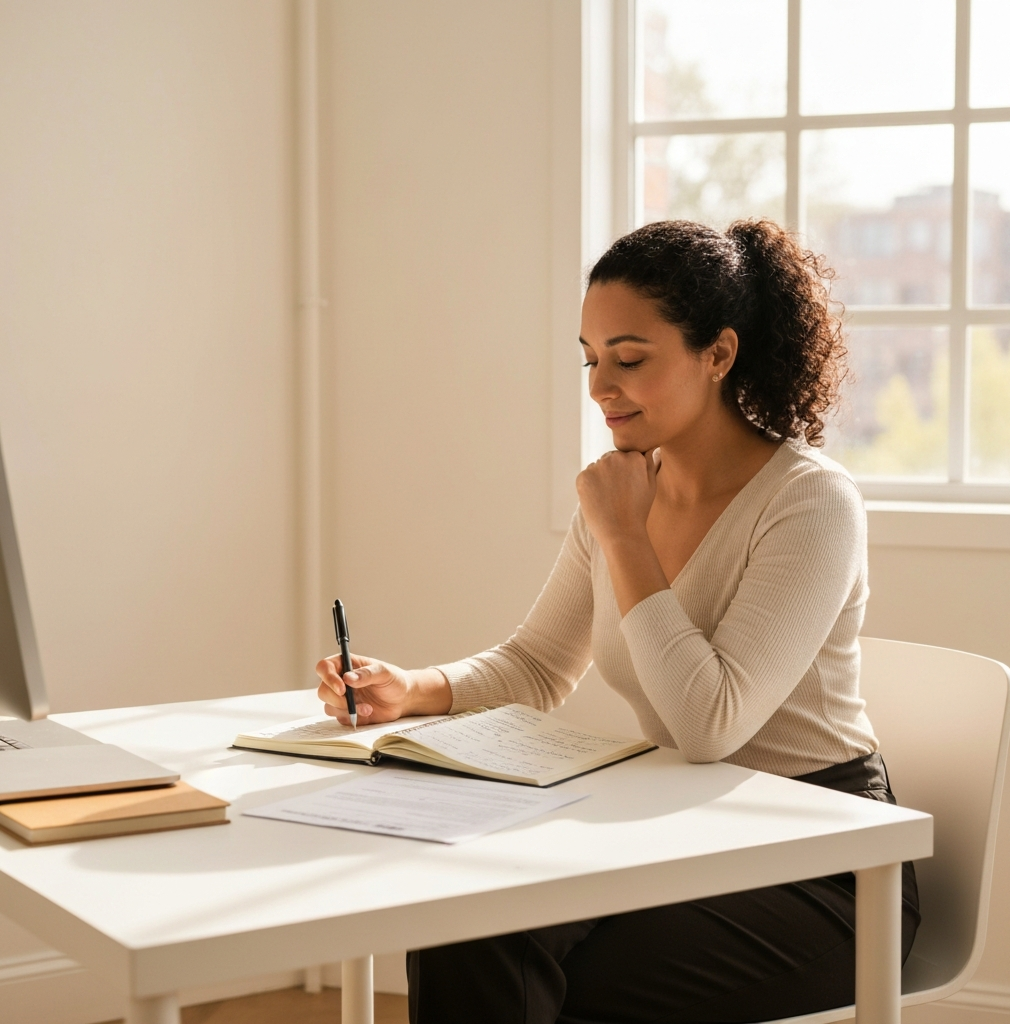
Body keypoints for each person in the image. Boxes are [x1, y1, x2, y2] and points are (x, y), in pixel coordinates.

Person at [315, 219, 920, 1024]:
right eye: (591, 358)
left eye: (630, 359)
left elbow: (709, 724)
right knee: (462, 919)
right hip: (685, 833)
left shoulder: (809, 501)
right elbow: (537, 665)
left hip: (823, 864)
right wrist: (413, 689)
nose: (600, 387)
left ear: (718, 354)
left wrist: (626, 536)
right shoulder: (622, 489)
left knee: (547, 976)